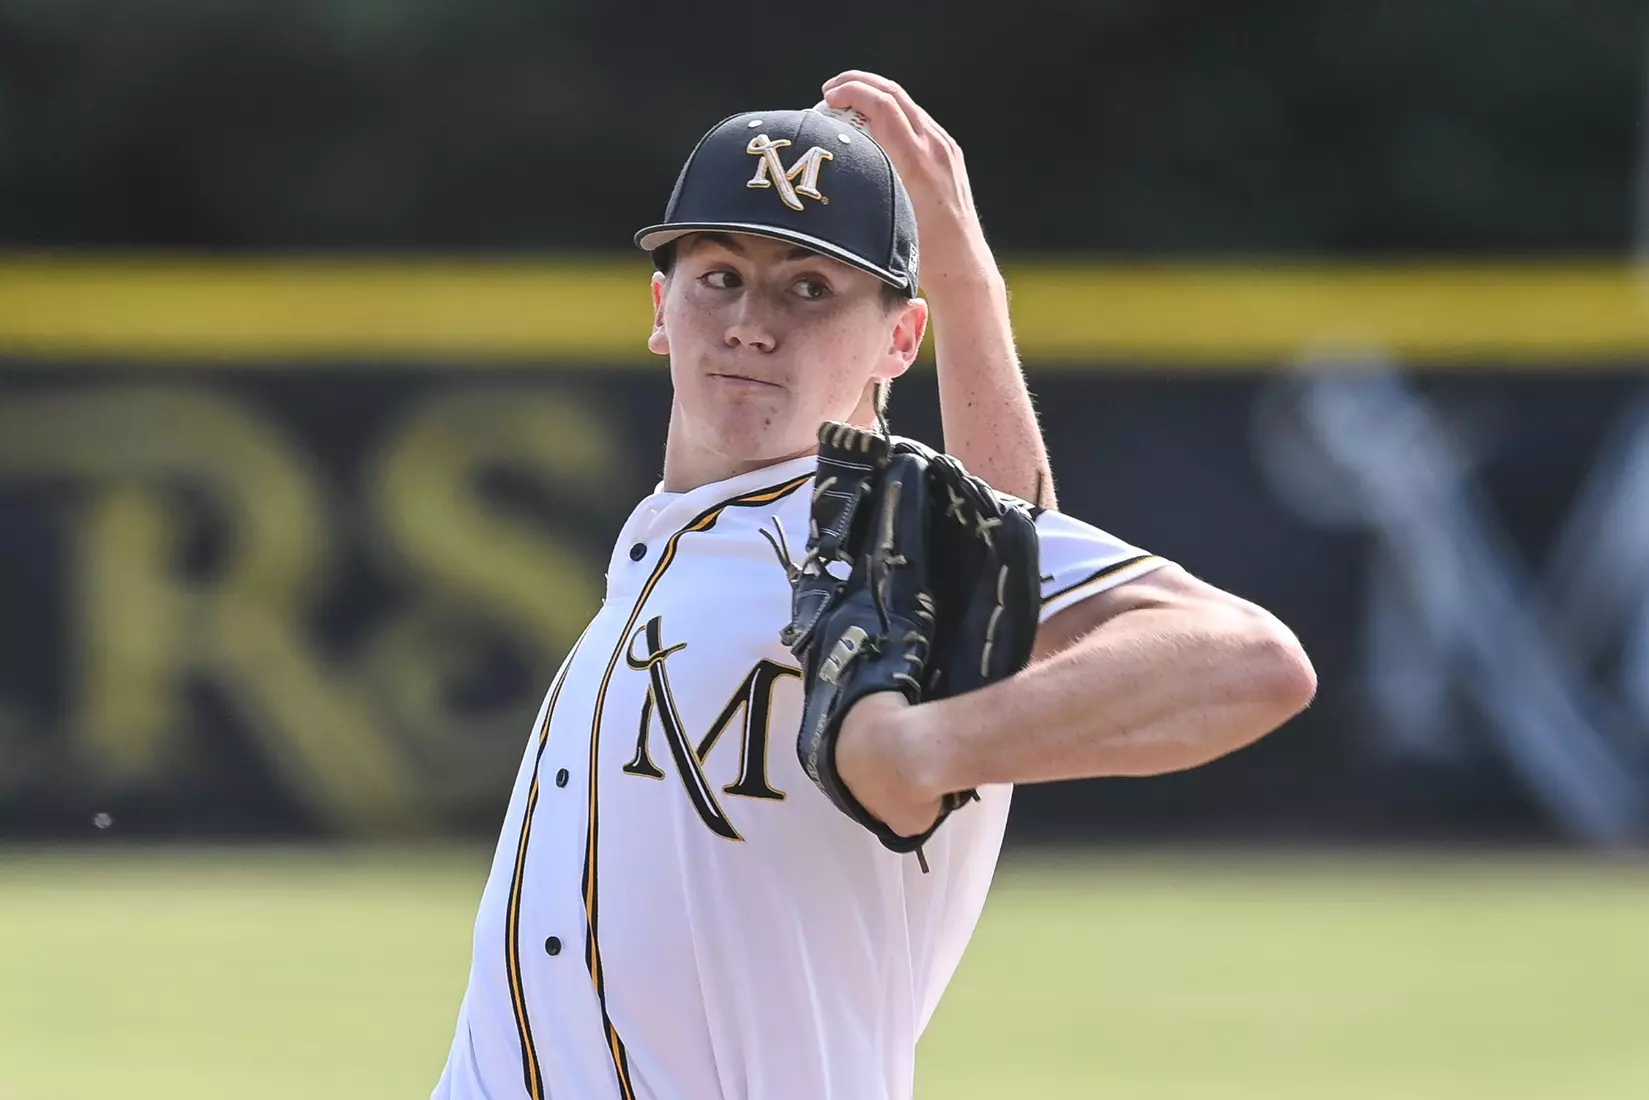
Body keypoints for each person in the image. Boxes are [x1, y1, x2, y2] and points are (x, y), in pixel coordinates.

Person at [432, 71, 1316, 1100]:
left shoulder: (858, 538)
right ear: (659, 308)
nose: (751, 322)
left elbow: (1253, 662)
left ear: (901, 339)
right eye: (718, 273)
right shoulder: (667, 552)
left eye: (810, 286)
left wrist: (927, 744)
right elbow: (1008, 542)